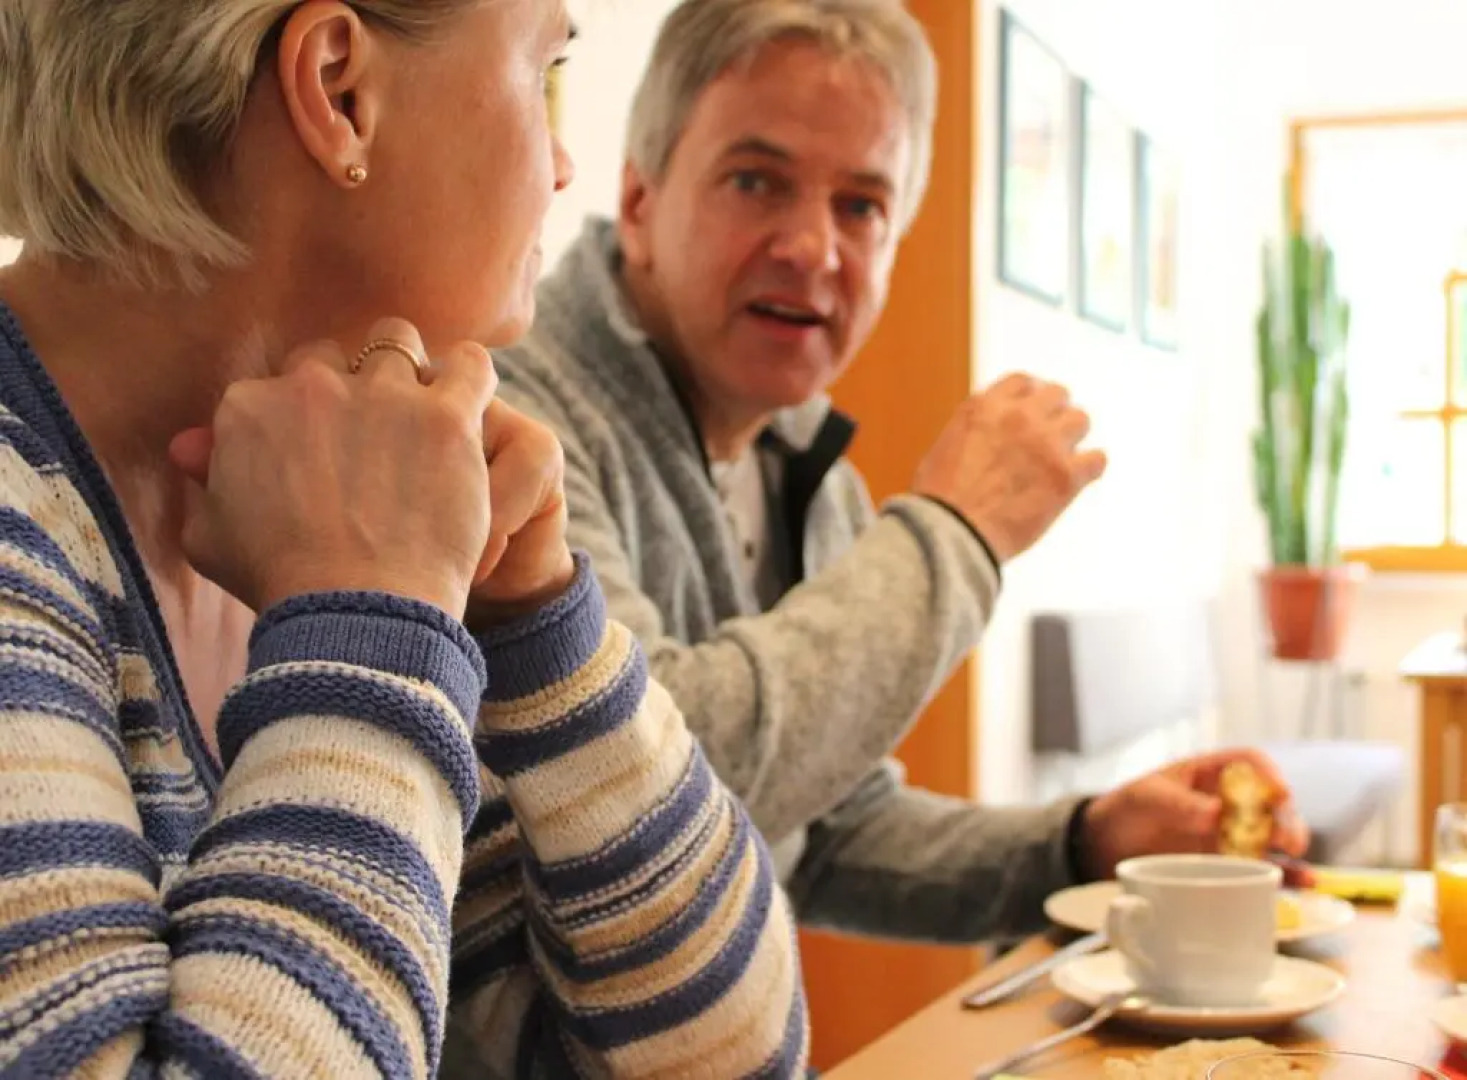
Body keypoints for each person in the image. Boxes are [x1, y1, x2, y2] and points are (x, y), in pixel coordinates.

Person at [0, 1, 806, 1077]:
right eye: (544, 72)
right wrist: (364, 621)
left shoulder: (335, 503)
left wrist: (543, 631)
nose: (564, 164)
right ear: (341, 91)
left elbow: (727, 1058)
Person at [496, 0, 1309, 949]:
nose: (813, 250)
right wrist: (952, 538)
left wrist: (1082, 839)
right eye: (756, 180)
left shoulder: (809, 466)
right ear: (639, 201)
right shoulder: (519, 415)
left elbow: (832, 833)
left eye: (861, 205)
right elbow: (642, 784)